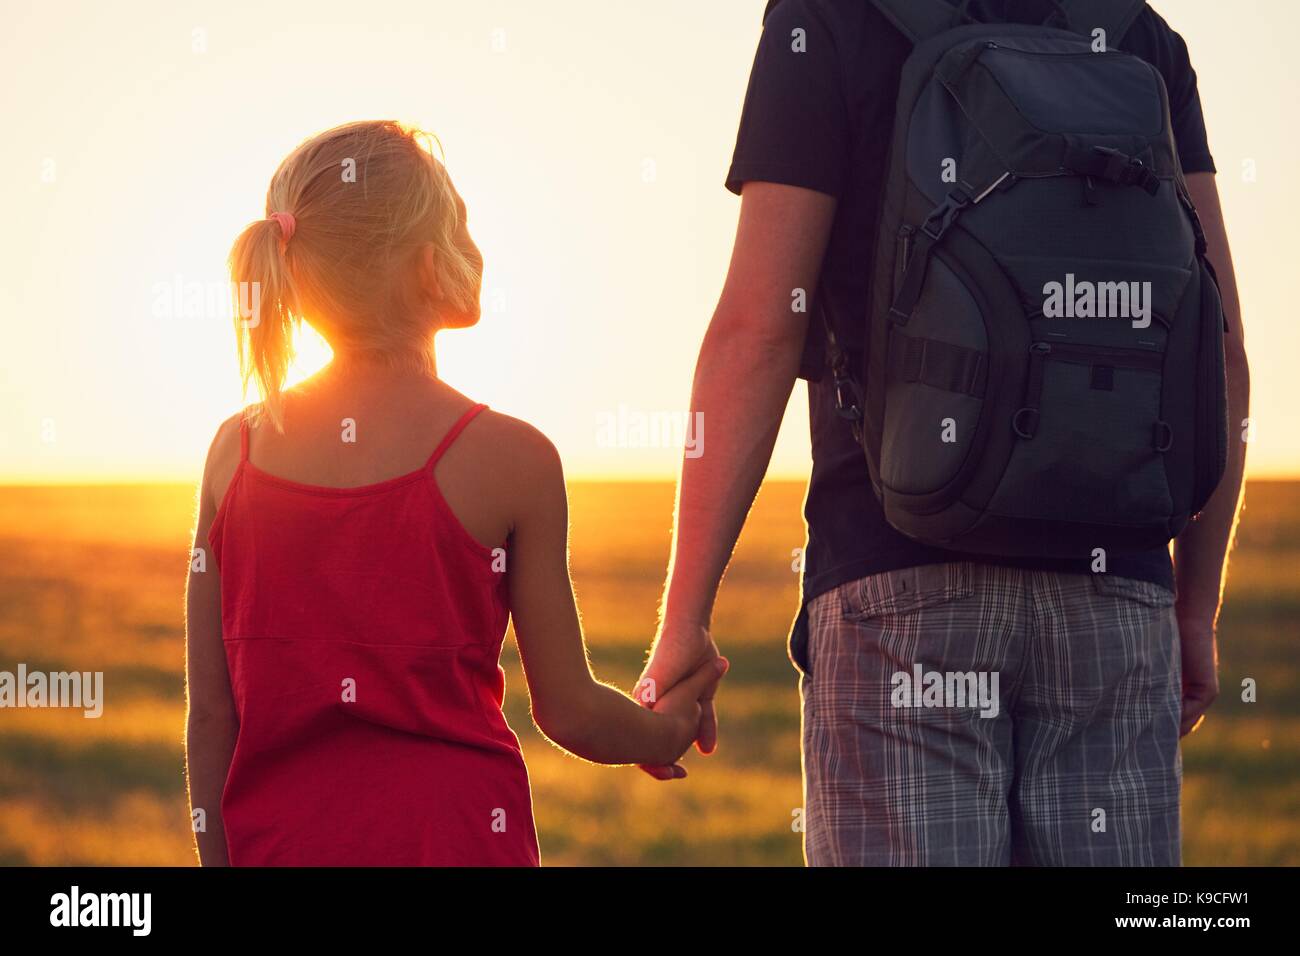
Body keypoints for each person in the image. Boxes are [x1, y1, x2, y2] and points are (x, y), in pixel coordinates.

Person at [636, 0, 1249, 865]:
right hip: (1119, 596)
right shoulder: (1136, 34)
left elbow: (759, 331)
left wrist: (686, 617)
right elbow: (1218, 351)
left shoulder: (827, 21)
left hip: (898, 580)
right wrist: (1194, 606)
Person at [184, 120, 726, 866]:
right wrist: (665, 727)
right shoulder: (512, 460)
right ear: (430, 266)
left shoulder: (232, 454)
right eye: (462, 222)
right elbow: (568, 711)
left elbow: (214, 714)